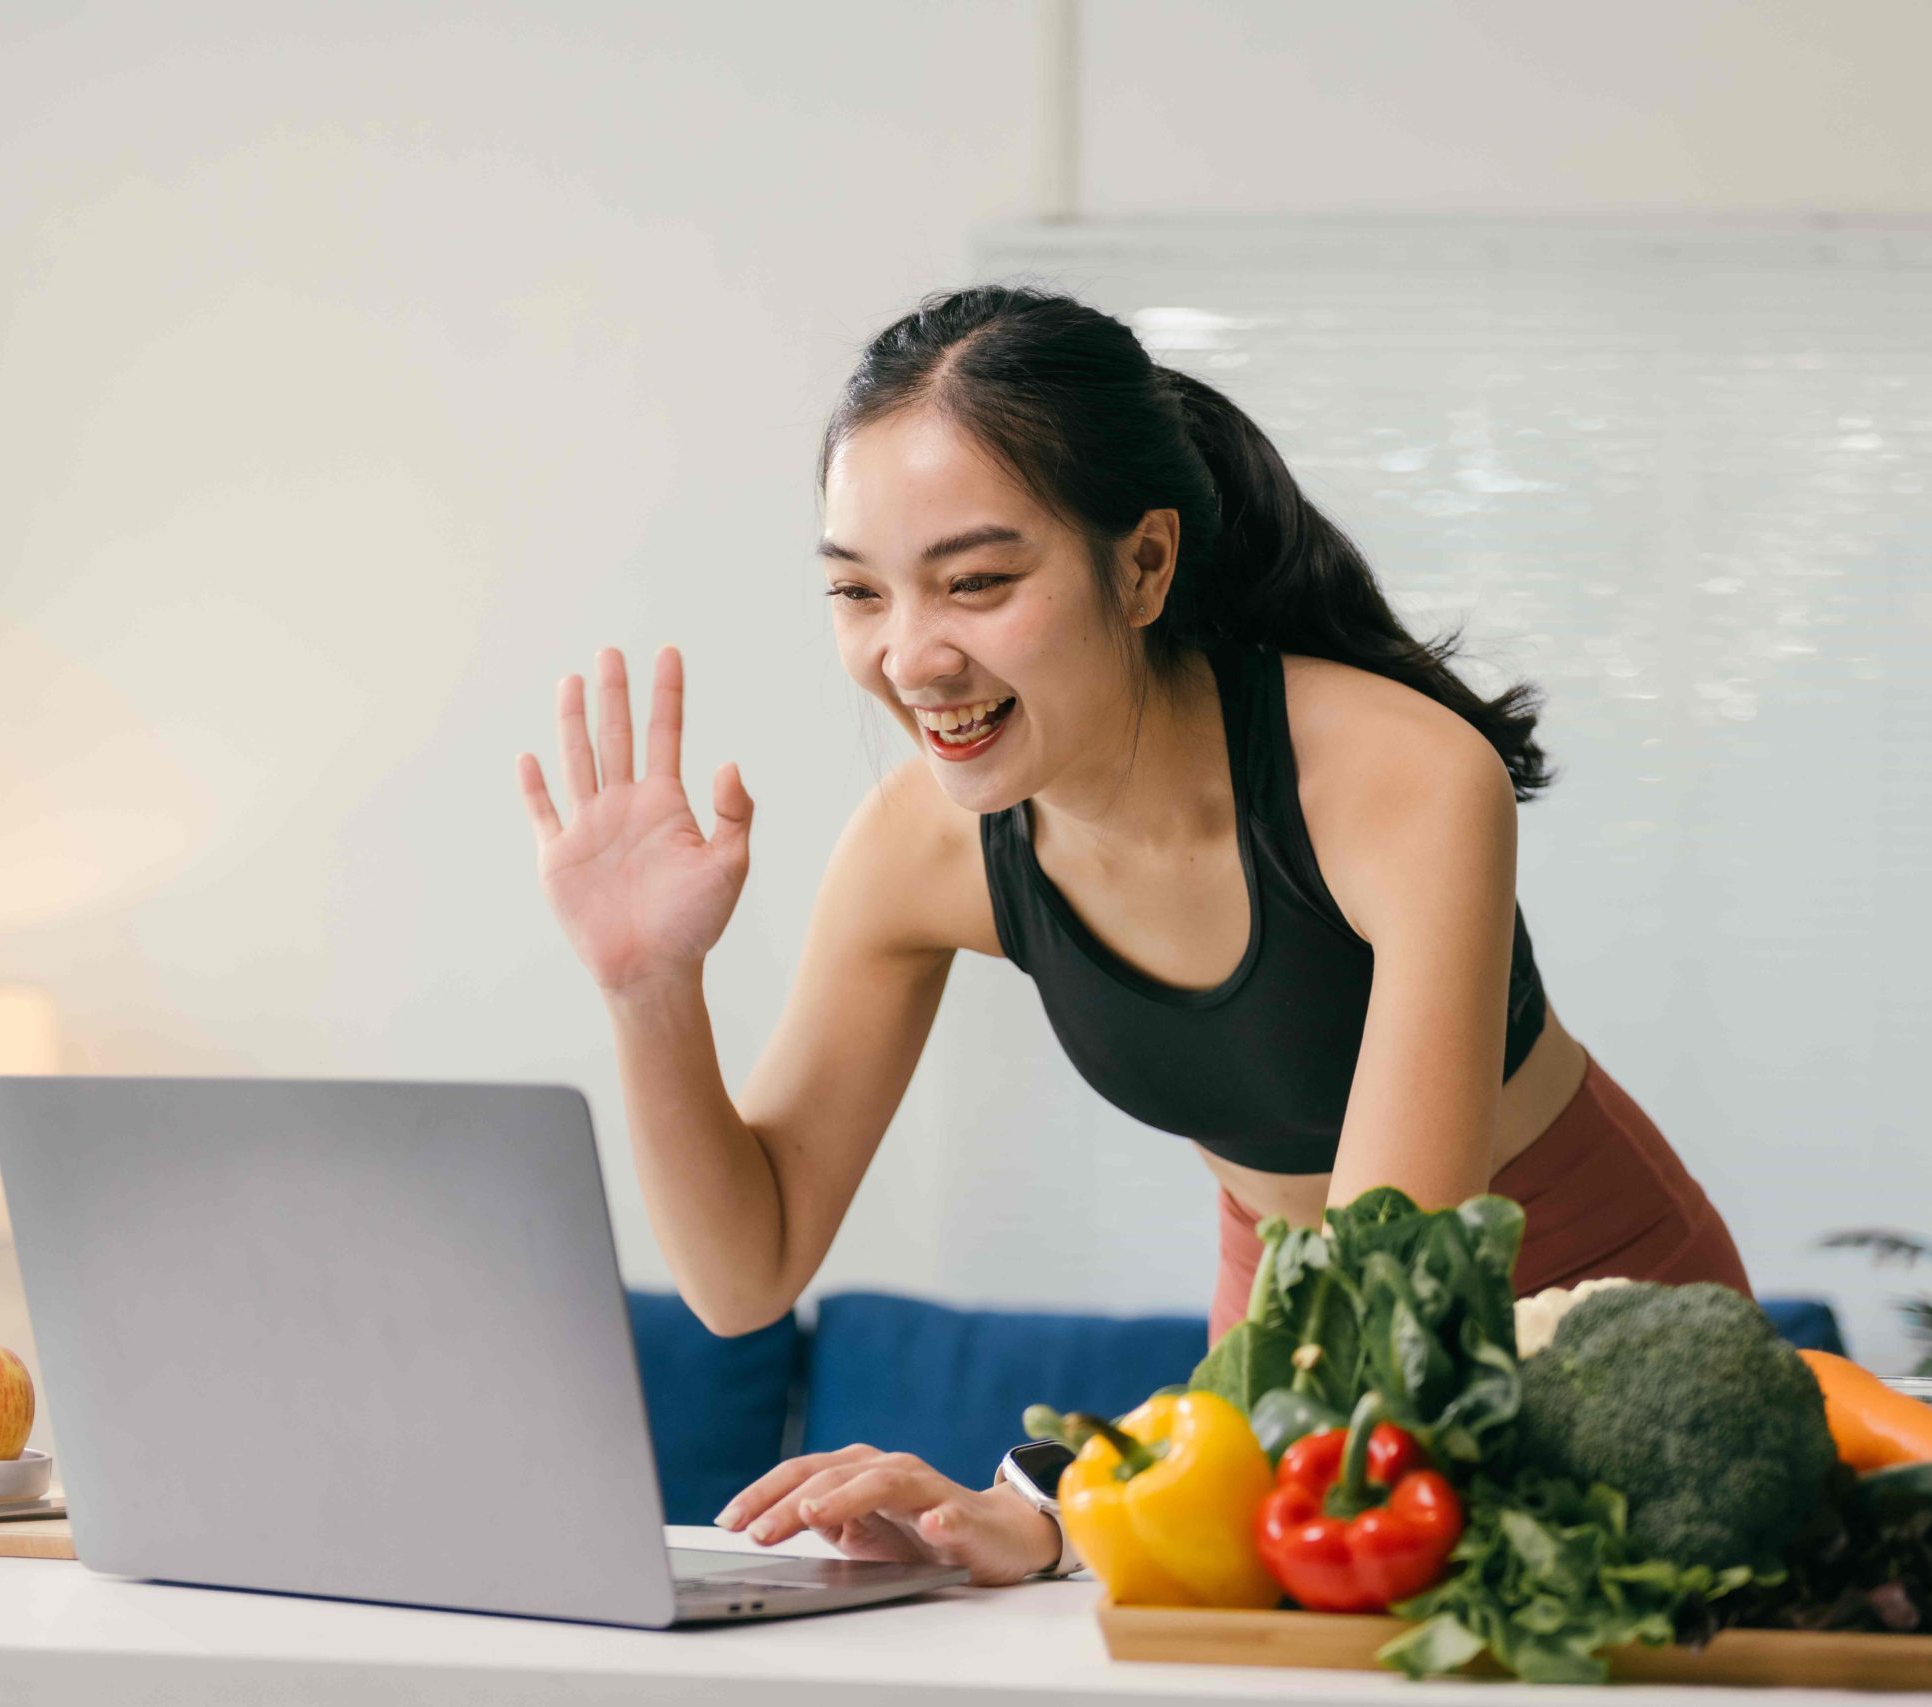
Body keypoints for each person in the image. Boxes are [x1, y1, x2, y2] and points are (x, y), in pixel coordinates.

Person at [515, 284, 1750, 1589]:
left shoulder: (1399, 781)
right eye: (859, 593)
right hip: (1290, 1342)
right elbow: (743, 1274)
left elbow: (1393, 1291)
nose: (912, 656)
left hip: (1592, 1321)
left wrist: (1058, 1510)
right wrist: (653, 992)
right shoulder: (922, 850)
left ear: (1144, 563)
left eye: (977, 582)